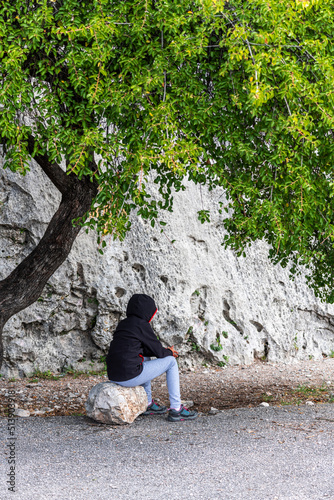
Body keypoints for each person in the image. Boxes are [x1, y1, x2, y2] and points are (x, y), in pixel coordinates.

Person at [107, 293, 197, 422]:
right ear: (148, 311)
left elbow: (144, 350)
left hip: (114, 375)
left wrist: (164, 351)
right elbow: (159, 352)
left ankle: (147, 404)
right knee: (171, 362)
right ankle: (176, 409)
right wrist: (170, 352)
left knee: (144, 357)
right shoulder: (141, 325)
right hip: (128, 376)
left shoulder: (124, 324)